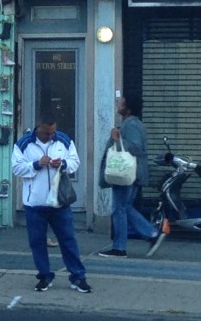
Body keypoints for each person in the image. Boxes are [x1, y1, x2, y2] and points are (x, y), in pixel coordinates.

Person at [11, 113, 92, 293]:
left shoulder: (63, 140)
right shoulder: (24, 144)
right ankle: (44, 275)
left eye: (53, 132)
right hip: (35, 203)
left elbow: (75, 162)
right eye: (47, 133)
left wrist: (63, 164)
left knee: (68, 240)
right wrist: (36, 164)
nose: (51, 136)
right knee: (37, 242)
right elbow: (16, 168)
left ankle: (78, 276)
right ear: (38, 128)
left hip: (59, 202)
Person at [98, 94, 165, 258]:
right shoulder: (131, 123)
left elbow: (136, 148)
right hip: (130, 173)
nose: (117, 104)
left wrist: (117, 139)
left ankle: (121, 247)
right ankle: (150, 234)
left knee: (119, 209)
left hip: (126, 173)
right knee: (125, 207)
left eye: (121, 102)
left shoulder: (132, 125)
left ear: (127, 108)